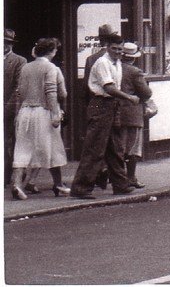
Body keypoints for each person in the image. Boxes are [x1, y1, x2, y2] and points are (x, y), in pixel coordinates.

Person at [69, 34, 140, 199]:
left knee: (115, 147)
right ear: (107, 47)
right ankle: (80, 187)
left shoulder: (117, 64)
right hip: (100, 104)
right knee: (95, 147)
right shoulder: (102, 63)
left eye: (120, 50)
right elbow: (108, 88)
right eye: (114, 49)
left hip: (112, 105)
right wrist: (129, 97)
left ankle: (120, 184)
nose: (117, 52)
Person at [10, 38, 70, 199]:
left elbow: (19, 93)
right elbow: (55, 92)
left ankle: (16, 184)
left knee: (22, 149)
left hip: (25, 112)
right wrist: (55, 114)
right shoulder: (51, 68)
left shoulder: (26, 68)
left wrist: (17, 114)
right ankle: (58, 185)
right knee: (53, 148)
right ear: (52, 51)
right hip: (44, 112)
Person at [118, 42, 152, 188]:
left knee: (119, 146)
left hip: (117, 112)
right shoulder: (135, 71)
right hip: (132, 112)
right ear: (134, 57)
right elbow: (146, 93)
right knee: (132, 147)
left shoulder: (115, 68)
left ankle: (116, 176)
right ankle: (131, 178)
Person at [4, 28, 27, 187]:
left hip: (8, 107)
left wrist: (7, 108)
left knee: (9, 142)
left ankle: (8, 176)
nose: (5, 45)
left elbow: (18, 88)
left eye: (8, 42)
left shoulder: (19, 61)